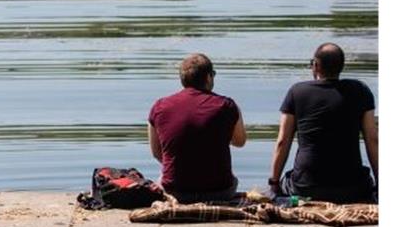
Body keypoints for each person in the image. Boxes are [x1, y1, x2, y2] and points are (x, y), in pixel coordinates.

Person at [269, 43, 377, 203]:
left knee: (286, 183)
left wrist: (274, 183)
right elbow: (373, 140)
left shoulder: (297, 92)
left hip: (305, 187)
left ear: (316, 65)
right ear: (342, 66)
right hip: (353, 188)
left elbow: (283, 142)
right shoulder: (360, 90)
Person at [148, 53, 247, 203]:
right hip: (219, 191)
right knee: (233, 179)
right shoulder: (227, 106)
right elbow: (240, 141)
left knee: (161, 177)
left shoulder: (159, 107)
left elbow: (157, 153)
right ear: (208, 77)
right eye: (213, 74)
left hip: (176, 192)